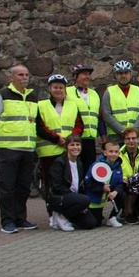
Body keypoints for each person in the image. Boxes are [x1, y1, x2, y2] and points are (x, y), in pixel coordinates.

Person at [0, 65, 40, 234]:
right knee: (7, 186)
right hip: (9, 148)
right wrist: (2, 134)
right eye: (20, 75)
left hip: (28, 149)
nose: (24, 77)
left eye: (26, 75)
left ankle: (20, 219)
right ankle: (7, 221)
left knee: (23, 186)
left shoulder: (32, 97)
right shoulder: (2, 95)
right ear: (11, 78)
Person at [36, 74, 83, 220]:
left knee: (68, 183)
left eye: (61, 87)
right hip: (49, 152)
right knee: (51, 185)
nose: (58, 90)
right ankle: (53, 215)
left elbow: (79, 125)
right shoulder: (41, 105)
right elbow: (39, 127)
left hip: (68, 152)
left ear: (65, 89)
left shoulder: (73, 105)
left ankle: (66, 213)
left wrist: (69, 140)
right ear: (50, 89)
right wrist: (56, 139)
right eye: (55, 87)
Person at [46, 135, 97, 231]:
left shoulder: (79, 163)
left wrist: (80, 202)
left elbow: (80, 185)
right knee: (85, 200)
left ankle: (68, 216)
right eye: (72, 145)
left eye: (78, 145)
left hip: (73, 199)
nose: (75, 147)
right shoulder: (59, 162)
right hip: (59, 198)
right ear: (66, 147)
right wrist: (78, 199)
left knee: (91, 223)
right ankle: (61, 217)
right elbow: (56, 186)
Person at [101, 60, 139, 143]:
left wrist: (134, 131)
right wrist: (122, 130)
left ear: (130, 74)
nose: (123, 75)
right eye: (120, 73)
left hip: (135, 136)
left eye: (126, 73)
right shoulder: (109, 91)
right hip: (115, 137)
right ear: (116, 75)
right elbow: (106, 115)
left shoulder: (138, 91)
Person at [67, 63, 101, 170]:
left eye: (88, 74)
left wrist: (103, 138)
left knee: (88, 169)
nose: (87, 77)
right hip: (75, 137)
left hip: (90, 138)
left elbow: (98, 117)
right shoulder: (67, 92)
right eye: (84, 74)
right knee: (74, 168)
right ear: (75, 76)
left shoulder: (94, 94)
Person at [84, 141, 125, 227]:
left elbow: (120, 183)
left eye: (116, 152)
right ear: (105, 153)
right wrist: (102, 187)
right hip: (95, 199)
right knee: (96, 223)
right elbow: (88, 183)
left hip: (108, 195)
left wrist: (116, 192)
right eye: (111, 151)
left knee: (123, 194)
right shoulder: (96, 166)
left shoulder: (118, 166)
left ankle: (112, 218)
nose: (113, 154)